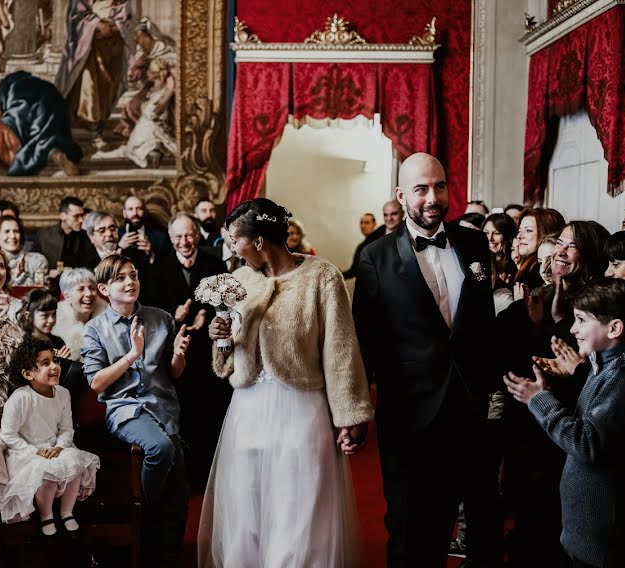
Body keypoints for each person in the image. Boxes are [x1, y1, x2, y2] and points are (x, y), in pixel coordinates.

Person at [200, 198, 372, 567]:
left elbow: (340, 350)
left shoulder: (322, 277)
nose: (231, 248)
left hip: (300, 410)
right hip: (248, 412)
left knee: (298, 508)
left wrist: (351, 414)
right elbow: (230, 355)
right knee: (247, 508)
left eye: (235, 240)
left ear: (259, 241)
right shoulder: (239, 280)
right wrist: (221, 336)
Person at [352, 153, 503, 568]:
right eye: (421, 189)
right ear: (402, 196)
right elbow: (365, 339)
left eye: (439, 186)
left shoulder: (473, 244)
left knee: (484, 517)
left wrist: (491, 392)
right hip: (409, 413)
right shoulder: (375, 257)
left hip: (471, 408)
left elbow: (482, 324)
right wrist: (357, 408)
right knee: (410, 526)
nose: (432, 198)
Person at [504, 278, 625, 568]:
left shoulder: (618, 377)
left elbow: (587, 442)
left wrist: (539, 400)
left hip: (599, 538)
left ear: (614, 328)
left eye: (581, 320)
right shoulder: (601, 365)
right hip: (582, 529)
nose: (572, 328)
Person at [81, 254, 190, 565]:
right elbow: (96, 384)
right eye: (120, 279)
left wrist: (179, 355)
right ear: (104, 289)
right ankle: (144, 511)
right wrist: (131, 356)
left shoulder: (161, 318)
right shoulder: (95, 329)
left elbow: (175, 372)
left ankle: (167, 556)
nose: (130, 282)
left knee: (179, 493)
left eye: (134, 276)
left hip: (164, 407)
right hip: (124, 409)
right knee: (161, 448)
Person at [0, 336, 100, 535]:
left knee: (75, 464)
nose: (55, 366)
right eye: (45, 363)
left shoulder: (63, 393)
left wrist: (60, 447)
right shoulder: (20, 398)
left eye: (55, 361)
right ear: (28, 373)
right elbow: (9, 435)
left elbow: (66, 429)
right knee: (46, 475)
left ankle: (67, 512)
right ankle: (46, 515)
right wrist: (36, 451)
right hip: (28, 452)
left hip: (56, 447)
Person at [147, 213, 229, 488]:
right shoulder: (158, 268)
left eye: (189, 235)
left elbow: (229, 305)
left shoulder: (215, 264)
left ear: (197, 235)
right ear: (170, 239)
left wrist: (206, 317)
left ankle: (212, 477)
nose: (184, 241)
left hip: (209, 355)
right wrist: (177, 316)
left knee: (211, 416)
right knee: (183, 417)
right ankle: (186, 478)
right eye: (178, 237)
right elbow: (152, 316)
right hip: (175, 357)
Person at [55, 0, 130, 151]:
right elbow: (76, 16)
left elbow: (125, 9)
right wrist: (97, 25)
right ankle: (96, 133)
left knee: (107, 90)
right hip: (91, 47)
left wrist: (117, 24)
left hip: (113, 46)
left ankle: (100, 125)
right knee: (91, 90)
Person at [0, 71, 82, 177]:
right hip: (54, 103)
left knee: (2, 127)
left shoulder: (3, 89)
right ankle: (55, 153)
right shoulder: (30, 80)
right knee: (46, 134)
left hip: (25, 100)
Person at [52, 268, 106, 370]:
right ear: (67, 296)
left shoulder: (108, 319)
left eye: (92, 288)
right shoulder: (53, 324)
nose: (88, 294)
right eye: (81, 289)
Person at [17, 288, 75, 382]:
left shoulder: (58, 341)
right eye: (45, 315)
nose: (51, 320)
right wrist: (56, 363)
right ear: (28, 316)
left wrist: (64, 363)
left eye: (54, 314)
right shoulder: (23, 344)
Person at [33, 196, 95, 270]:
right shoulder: (44, 235)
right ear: (62, 216)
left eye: (82, 215)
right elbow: (34, 261)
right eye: (76, 216)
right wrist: (48, 272)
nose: (81, 220)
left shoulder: (86, 236)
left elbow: (92, 263)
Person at [513, 207, 565, 291]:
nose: (519, 236)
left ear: (547, 232)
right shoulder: (527, 265)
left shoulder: (546, 273)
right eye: (519, 230)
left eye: (528, 230)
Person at [0, 215, 49, 286]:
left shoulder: (38, 261)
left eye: (16, 231)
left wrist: (22, 277)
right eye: (7, 231)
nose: (12, 236)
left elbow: (41, 292)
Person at [118, 195, 171, 260]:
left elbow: (167, 266)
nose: (135, 213)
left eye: (139, 209)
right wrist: (119, 247)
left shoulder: (160, 237)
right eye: (130, 209)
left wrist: (152, 255)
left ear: (144, 211)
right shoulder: (116, 235)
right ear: (124, 213)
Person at [343, 212, 379, 279]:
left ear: (374, 224)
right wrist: (338, 274)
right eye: (361, 223)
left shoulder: (381, 241)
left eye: (367, 223)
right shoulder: (361, 246)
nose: (363, 226)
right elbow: (354, 271)